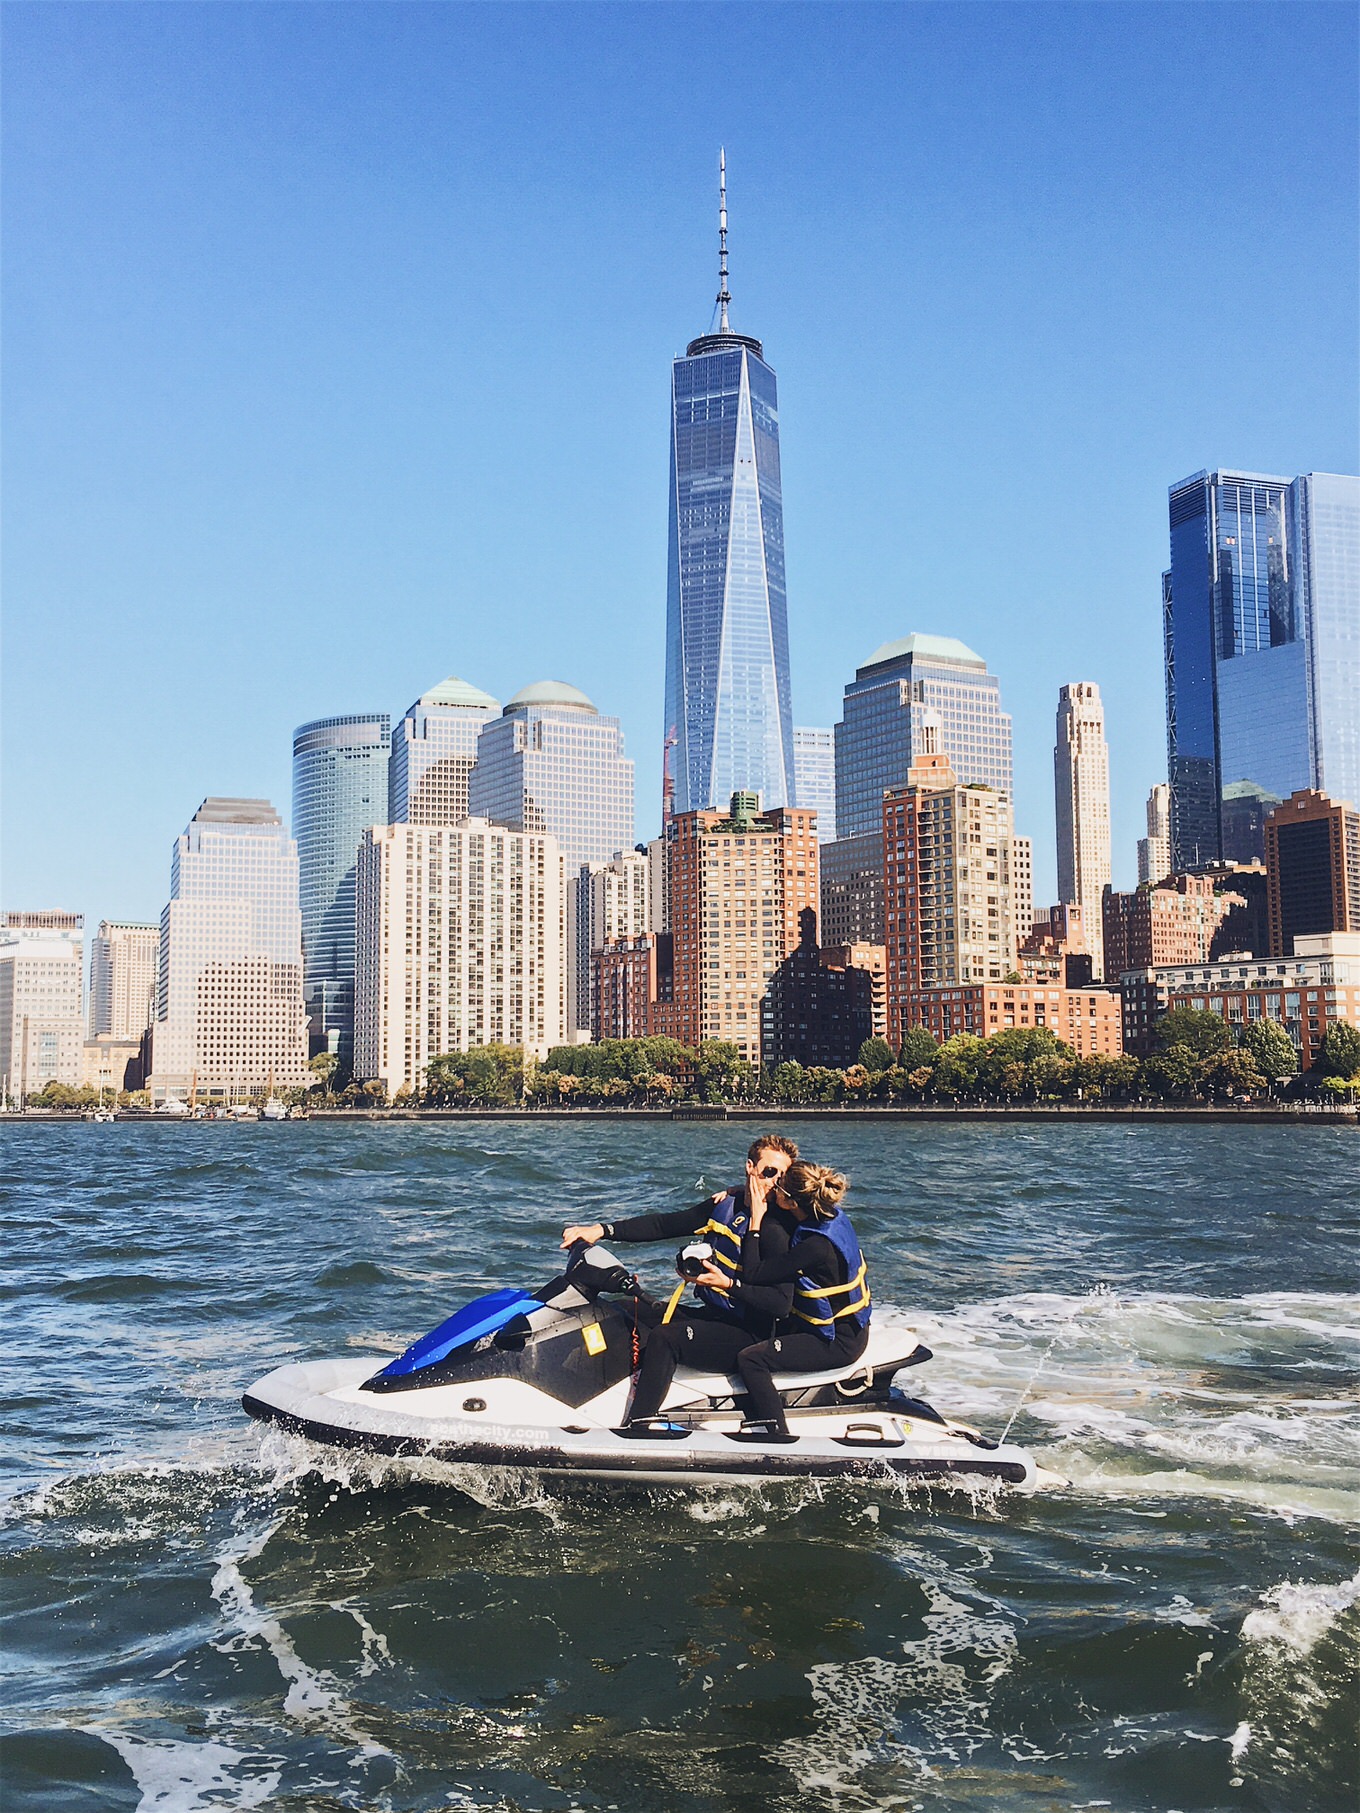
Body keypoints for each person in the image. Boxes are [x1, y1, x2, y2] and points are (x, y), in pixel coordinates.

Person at [560, 1136, 801, 1429]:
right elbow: (664, 1225)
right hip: (713, 1315)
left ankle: (639, 1425)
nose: (774, 1182)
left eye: (782, 1177)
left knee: (666, 1338)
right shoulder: (726, 1205)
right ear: (750, 1167)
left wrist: (728, 1284)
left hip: (749, 1333)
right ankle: (586, 1397)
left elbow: (780, 1305)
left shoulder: (776, 1229)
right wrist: (601, 1230)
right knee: (621, 1310)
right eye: (769, 1172)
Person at [696, 1160, 872, 1443]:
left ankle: (777, 1436)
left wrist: (755, 1223)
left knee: (752, 1358)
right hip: (846, 1325)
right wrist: (739, 1190)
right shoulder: (829, 1214)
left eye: (778, 1187)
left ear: (791, 1203)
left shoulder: (816, 1247)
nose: (773, 1188)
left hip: (838, 1341)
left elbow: (754, 1274)